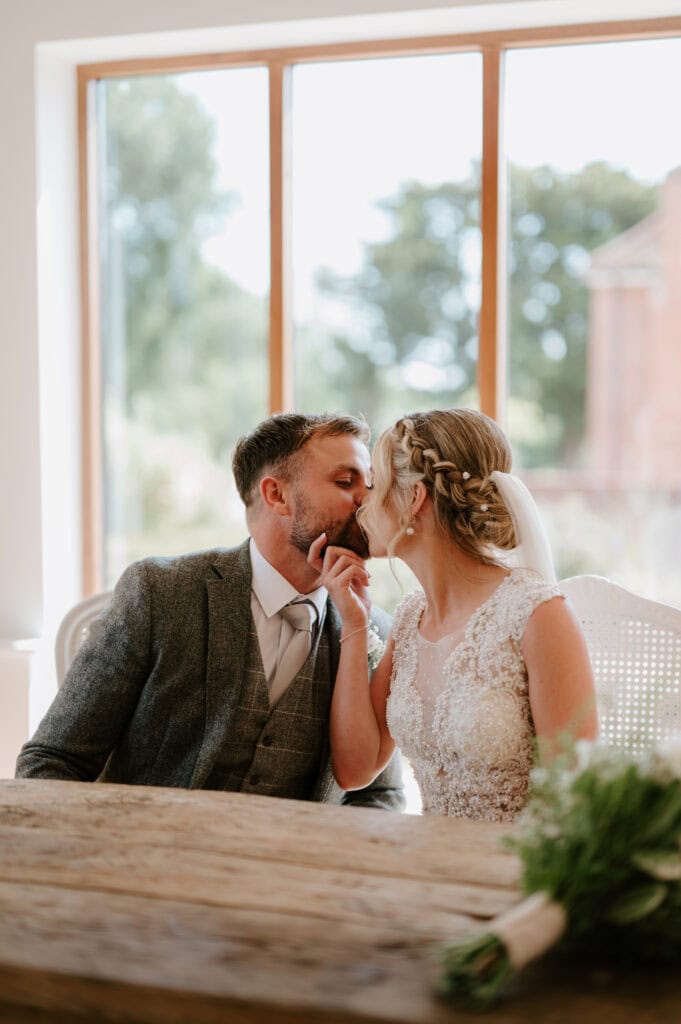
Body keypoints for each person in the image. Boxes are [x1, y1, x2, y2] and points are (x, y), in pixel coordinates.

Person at [16, 413, 404, 811]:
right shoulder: (160, 593)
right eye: (345, 482)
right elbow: (53, 763)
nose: (368, 499)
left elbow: (380, 795)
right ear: (276, 495)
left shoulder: (375, 630)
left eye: (370, 484)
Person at [310, 408, 597, 822]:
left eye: (375, 484)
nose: (362, 503)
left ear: (414, 499)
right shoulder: (410, 619)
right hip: (430, 863)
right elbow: (356, 769)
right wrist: (355, 624)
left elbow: (574, 803)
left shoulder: (538, 616)